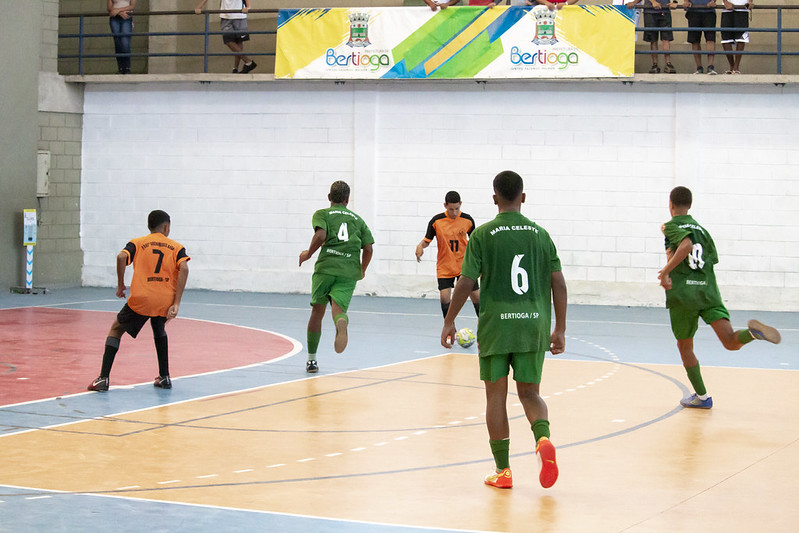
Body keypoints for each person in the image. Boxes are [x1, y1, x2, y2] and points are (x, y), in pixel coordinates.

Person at [441, 170, 567, 490]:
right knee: (530, 393)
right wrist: (560, 328)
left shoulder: (483, 234)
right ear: (522, 197)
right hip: (533, 326)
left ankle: (504, 472)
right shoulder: (541, 235)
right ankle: (542, 439)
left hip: (496, 326)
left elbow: (466, 282)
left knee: (495, 398)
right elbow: (558, 282)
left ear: (494, 197)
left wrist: (449, 320)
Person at [658, 186, 781, 409]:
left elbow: (685, 246)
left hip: (685, 296)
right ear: (690, 204)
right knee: (730, 341)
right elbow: (709, 262)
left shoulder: (670, 226)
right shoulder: (703, 231)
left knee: (685, 346)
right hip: (709, 292)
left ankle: (702, 397)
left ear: (671, 204)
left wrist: (666, 271)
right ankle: (752, 334)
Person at [88, 210, 190, 392]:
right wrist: (176, 303)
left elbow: (121, 257)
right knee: (159, 328)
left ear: (149, 226)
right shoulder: (176, 247)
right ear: (166, 227)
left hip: (142, 298)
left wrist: (120, 285)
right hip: (164, 298)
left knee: (116, 329)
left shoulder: (137, 243)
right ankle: (165, 377)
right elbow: (184, 268)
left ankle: (103, 379)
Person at [299, 181, 374, 374]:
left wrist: (308, 253)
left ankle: (312, 361)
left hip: (326, 268)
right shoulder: (358, 220)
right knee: (338, 309)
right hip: (348, 270)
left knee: (317, 311)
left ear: (329, 197)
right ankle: (341, 321)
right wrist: (362, 269)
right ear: (348, 199)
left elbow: (321, 235)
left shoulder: (322, 214)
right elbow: (368, 248)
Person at [415, 191, 480, 319]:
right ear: (445, 205)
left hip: (464, 265)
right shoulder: (436, 221)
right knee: (444, 298)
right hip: (445, 266)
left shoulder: (467, 220)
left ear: (460, 204)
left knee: (477, 298)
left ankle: (484, 327)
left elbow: (475, 244)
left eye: (457, 208)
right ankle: (450, 329)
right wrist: (420, 246)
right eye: (451, 209)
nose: (454, 212)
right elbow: (427, 240)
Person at [195, 0, 257, 74]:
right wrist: (199, 7)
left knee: (238, 41)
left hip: (239, 15)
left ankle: (235, 68)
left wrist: (248, 7)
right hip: (226, 16)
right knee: (228, 40)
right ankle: (248, 62)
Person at [630, 0, 676, 73]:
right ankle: (655, 65)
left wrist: (675, 2)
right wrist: (653, 2)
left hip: (665, 10)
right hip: (650, 11)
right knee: (653, 40)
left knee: (666, 38)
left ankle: (668, 64)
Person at [684, 0, 718, 74]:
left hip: (709, 12)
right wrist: (686, 1)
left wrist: (713, 1)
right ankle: (699, 68)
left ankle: (710, 67)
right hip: (693, 11)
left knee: (710, 39)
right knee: (695, 41)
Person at [721, 0, 752, 74]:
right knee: (726, 39)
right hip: (727, 9)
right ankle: (731, 66)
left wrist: (750, 2)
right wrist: (725, 2)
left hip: (742, 8)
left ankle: (736, 67)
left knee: (741, 38)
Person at [107, 0, 136, 74]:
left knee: (125, 41)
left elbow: (132, 6)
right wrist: (119, 13)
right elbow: (109, 7)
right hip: (115, 17)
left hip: (126, 17)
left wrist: (119, 10)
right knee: (117, 42)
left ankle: (126, 67)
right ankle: (120, 67)